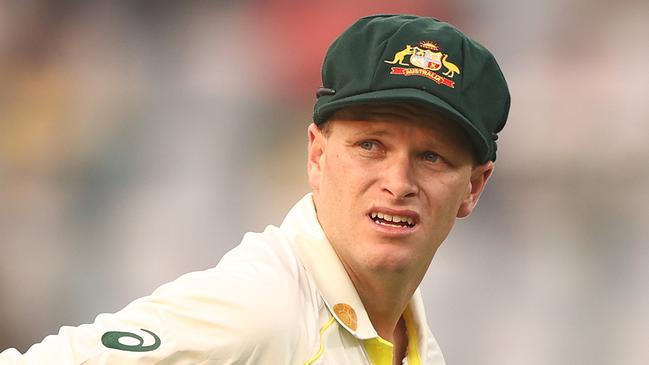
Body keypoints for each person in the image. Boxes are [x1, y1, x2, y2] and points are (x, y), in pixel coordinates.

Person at [0, 14, 510, 365]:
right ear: (316, 154)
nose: (398, 183)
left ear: (474, 186)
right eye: (371, 146)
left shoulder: (416, 344)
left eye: (430, 157)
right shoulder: (260, 307)